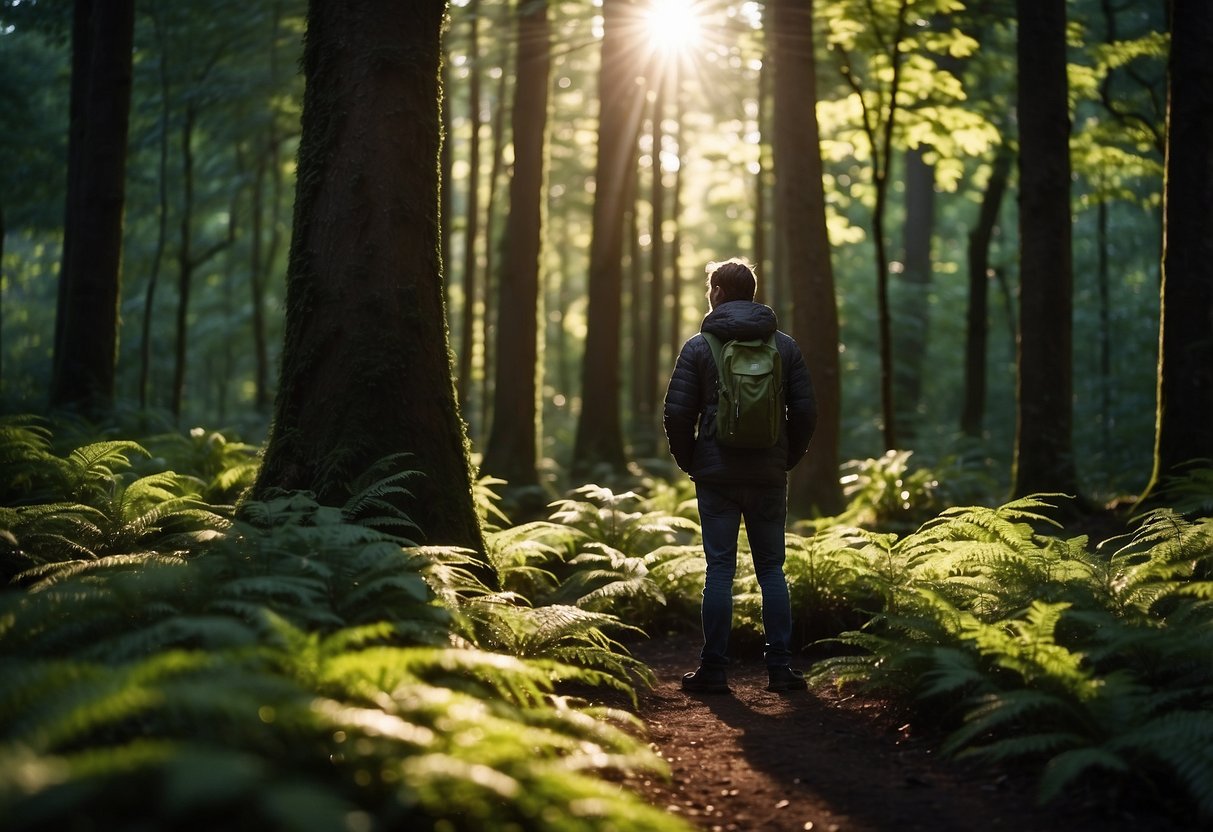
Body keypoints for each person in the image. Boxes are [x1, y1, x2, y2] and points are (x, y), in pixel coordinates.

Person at [662, 258, 817, 693]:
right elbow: (806, 411)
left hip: (716, 476)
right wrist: (786, 457)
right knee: (772, 570)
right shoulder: (784, 347)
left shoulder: (698, 347)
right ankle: (780, 670)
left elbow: (676, 413)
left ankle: (714, 670)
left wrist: (691, 461)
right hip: (769, 473)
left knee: (719, 571)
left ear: (717, 292)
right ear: (751, 291)